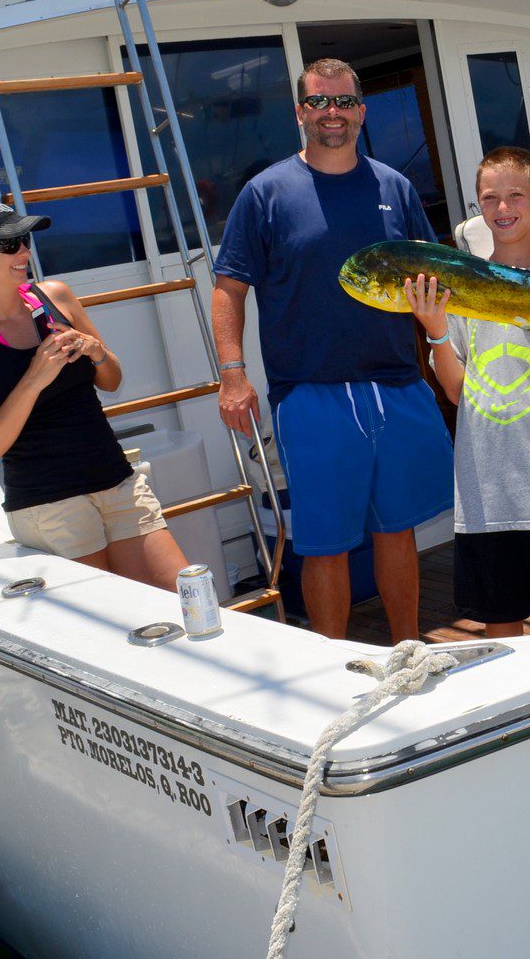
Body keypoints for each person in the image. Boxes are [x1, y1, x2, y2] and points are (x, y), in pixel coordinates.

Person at [211, 58, 452, 643]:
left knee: (398, 530)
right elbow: (228, 287)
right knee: (325, 542)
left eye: (343, 102)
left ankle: (408, 648)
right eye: (319, 103)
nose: (333, 114)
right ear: (300, 113)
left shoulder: (395, 188)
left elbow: (436, 277)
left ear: (361, 112)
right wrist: (233, 375)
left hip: (397, 382)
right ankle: (332, 668)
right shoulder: (264, 194)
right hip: (310, 393)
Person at [403, 147, 530, 637]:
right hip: (485, 499)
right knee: (501, 632)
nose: (502, 207)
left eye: (515, 194)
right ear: (478, 207)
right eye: (489, 198)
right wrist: (434, 328)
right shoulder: (459, 284)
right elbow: (455, 391)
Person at [0, 201, 188, 590]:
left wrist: (96, 351)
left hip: (116, 481)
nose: (23, 251)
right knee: (105, 626)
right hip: (49, 504)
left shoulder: (56, 296)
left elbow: (112, 380)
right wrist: (33, 378)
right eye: (8, 244)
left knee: (182, 598)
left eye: (24, 239)